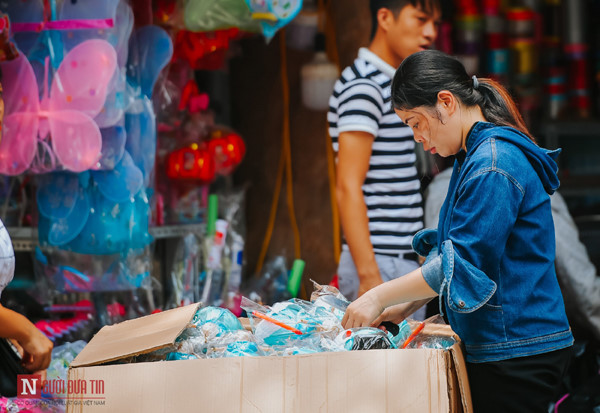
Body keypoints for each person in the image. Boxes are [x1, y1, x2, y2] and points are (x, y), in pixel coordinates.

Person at [342, 50, 574, 412]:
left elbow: (462, 263)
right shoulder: (475, 155)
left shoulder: (493, 163)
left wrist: (378, 296)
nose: (418, 137)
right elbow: (453, 252)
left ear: (446, 102)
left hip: (518, 351)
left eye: (416, 122)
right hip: (504, 347)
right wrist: (404, 306)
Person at [327, 0, 441, 319]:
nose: (430, 32)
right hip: (379, 263)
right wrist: (369, 277)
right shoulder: (364, 86)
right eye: (420, 19)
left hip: (396, 262)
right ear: (385, 18)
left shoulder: (391, 85)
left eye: (435, 23)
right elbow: (347, 186)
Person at [425, 167, 600, 343]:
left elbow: (435, 261)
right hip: (528, 331)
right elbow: (578, 275)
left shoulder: (441, 188)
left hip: (466, 331)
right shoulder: (531, 180)